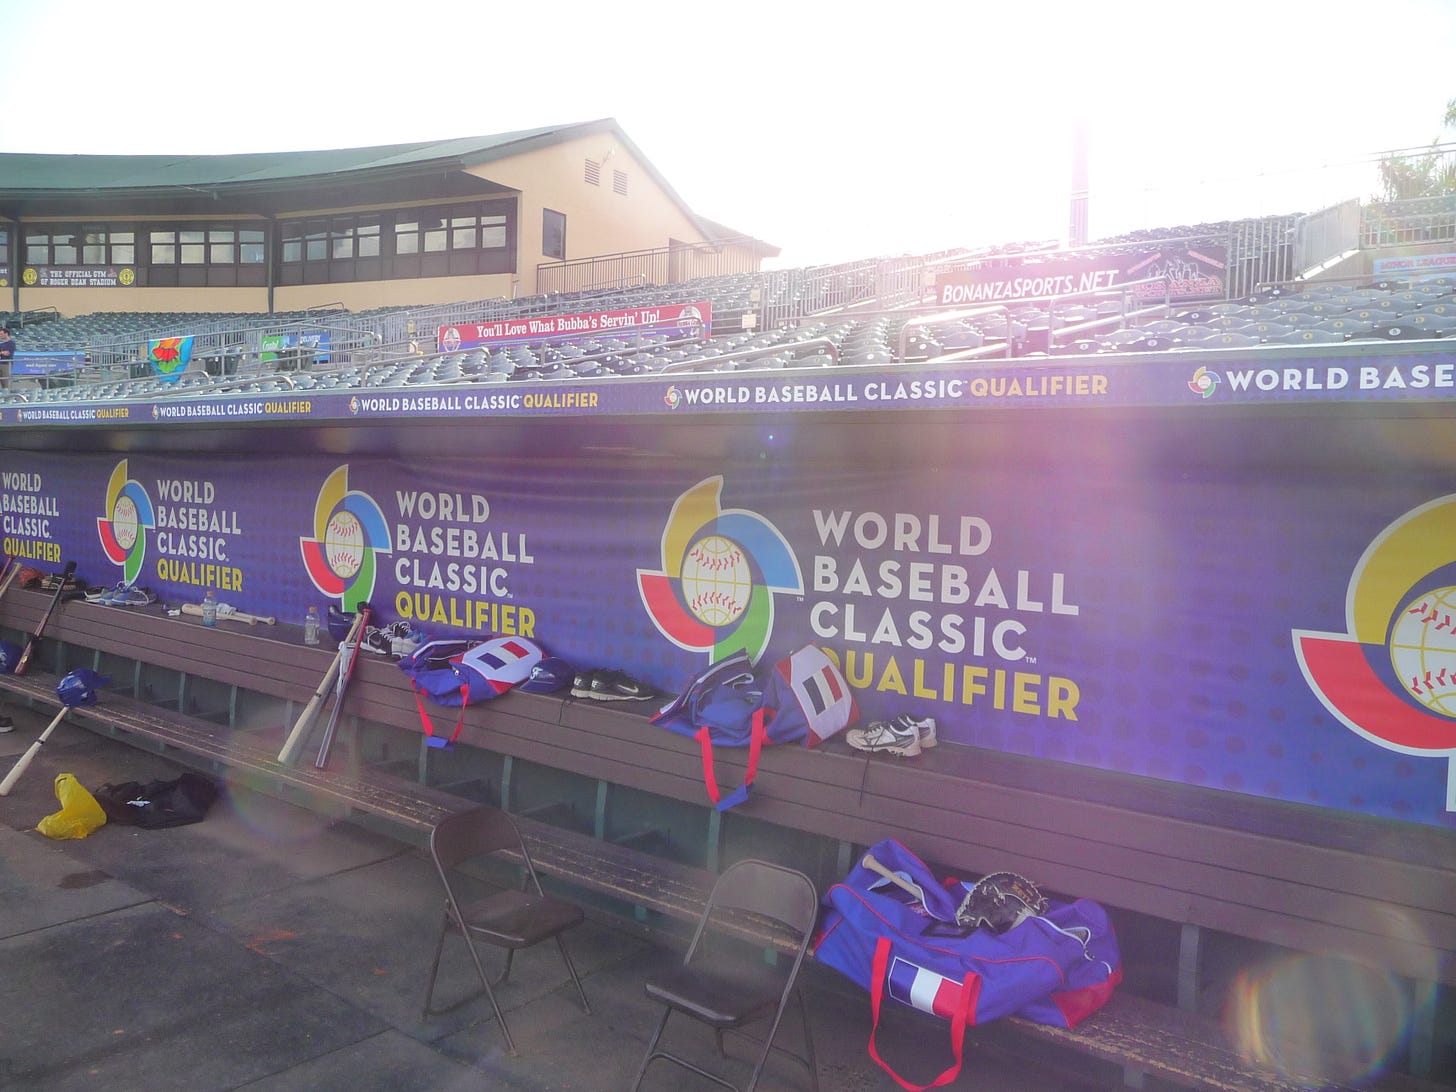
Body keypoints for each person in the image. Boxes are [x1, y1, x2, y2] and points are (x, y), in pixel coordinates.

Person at [0, 323, 14, 393]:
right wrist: (2, 352)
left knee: (5, 382)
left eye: (1, 334)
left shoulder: (11, 343)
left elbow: (7, 353)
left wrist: (2, 353)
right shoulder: (1, 344)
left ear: (6, 334)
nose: (0, 335)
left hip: (6, 364)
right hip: (1, 362)